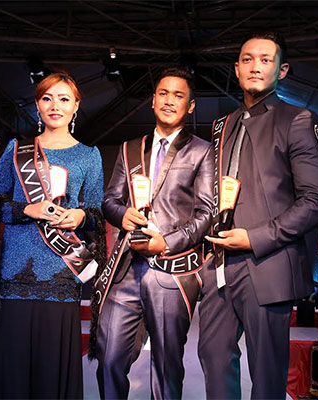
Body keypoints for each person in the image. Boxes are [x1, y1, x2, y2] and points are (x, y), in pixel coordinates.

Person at [197, 31, 318, 399]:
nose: (255, 66)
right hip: (220, 263)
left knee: (267, 372)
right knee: (212, 356)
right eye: (247, 59)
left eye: (265, 60)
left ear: (281, 70)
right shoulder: (222, 124)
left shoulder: (298, 118)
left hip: (268, 262)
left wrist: (255, 237)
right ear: (236, 68)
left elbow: (316, 200)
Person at [0, 71, 105, 399]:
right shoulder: (16, 150)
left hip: (62, 272)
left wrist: (81, 215)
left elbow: (96, 213)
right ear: (37, 105)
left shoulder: (89, 155)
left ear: (76, 106)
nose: (55, 106)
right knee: (13, 369)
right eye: (47, 98)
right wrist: (28, 209)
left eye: (64, 99)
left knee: (53, 369)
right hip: (16, 272)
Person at [93, 67, 213, 399]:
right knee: (109, 357)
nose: (169, 100)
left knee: (166, 366)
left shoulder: (202, 151)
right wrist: (123, 215)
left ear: (190, 106)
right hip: (127, 269)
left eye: (178, 95)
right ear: (153, 100)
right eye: (163, 93)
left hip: (172, 270)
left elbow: (206, 213)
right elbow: (109, 201)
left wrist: (167, 242)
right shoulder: (130, 148)